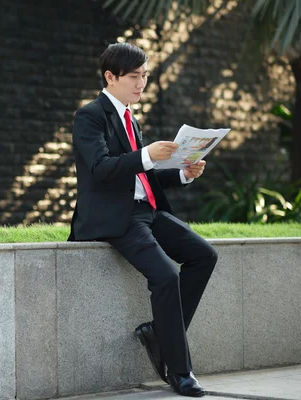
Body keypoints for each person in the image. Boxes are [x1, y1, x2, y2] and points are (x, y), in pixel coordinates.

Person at [68, 42, 217, 397]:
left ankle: (156, 332)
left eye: (145, 76)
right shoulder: (90, 116)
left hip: (147, 211)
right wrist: (147, 154)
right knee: (166, 274)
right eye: (134, 77)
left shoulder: (130, 117)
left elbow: (143, 175)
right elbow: (102, 169)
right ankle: (180, 373)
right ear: (110, 77)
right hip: (114, 217)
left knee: (204, 255)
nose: (141, 84)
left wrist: (183, 174)